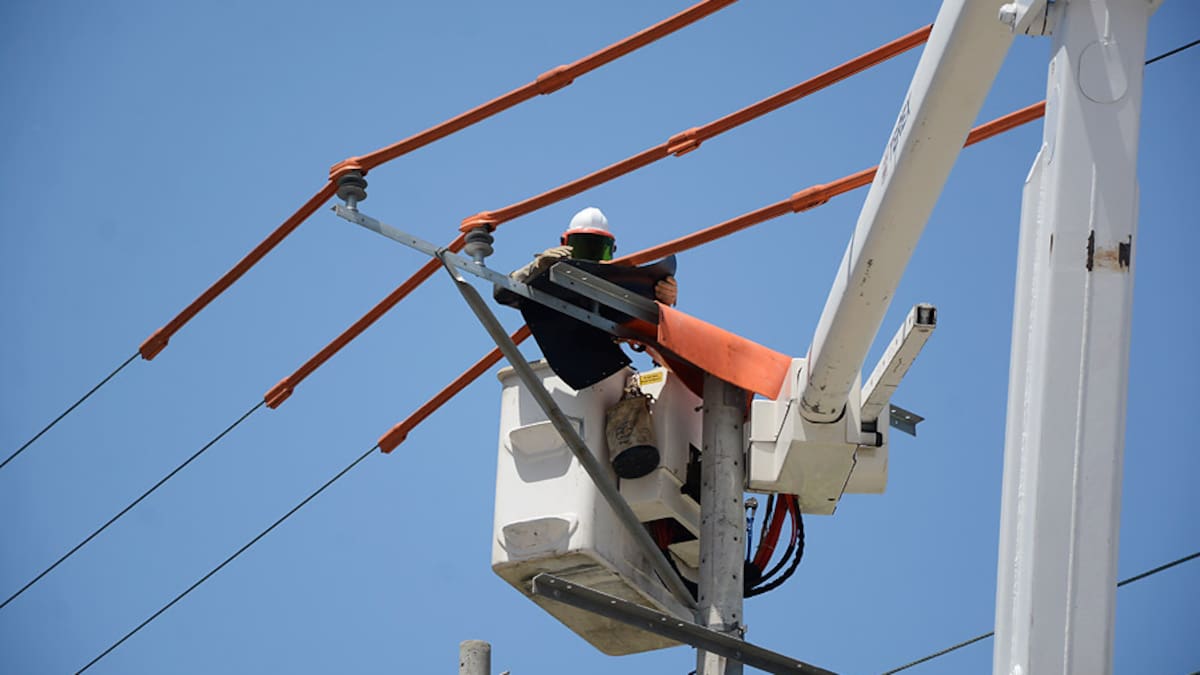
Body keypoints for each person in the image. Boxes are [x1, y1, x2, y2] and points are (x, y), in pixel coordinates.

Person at [501, 207, 677, 306]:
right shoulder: (551, 280)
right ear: (564, 245)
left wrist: (663, 300)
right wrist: (537, 267)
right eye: (583, 247)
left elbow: (652, 328)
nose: (590, 261)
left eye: (597, 250)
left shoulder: (620, 287)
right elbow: (502, 293)